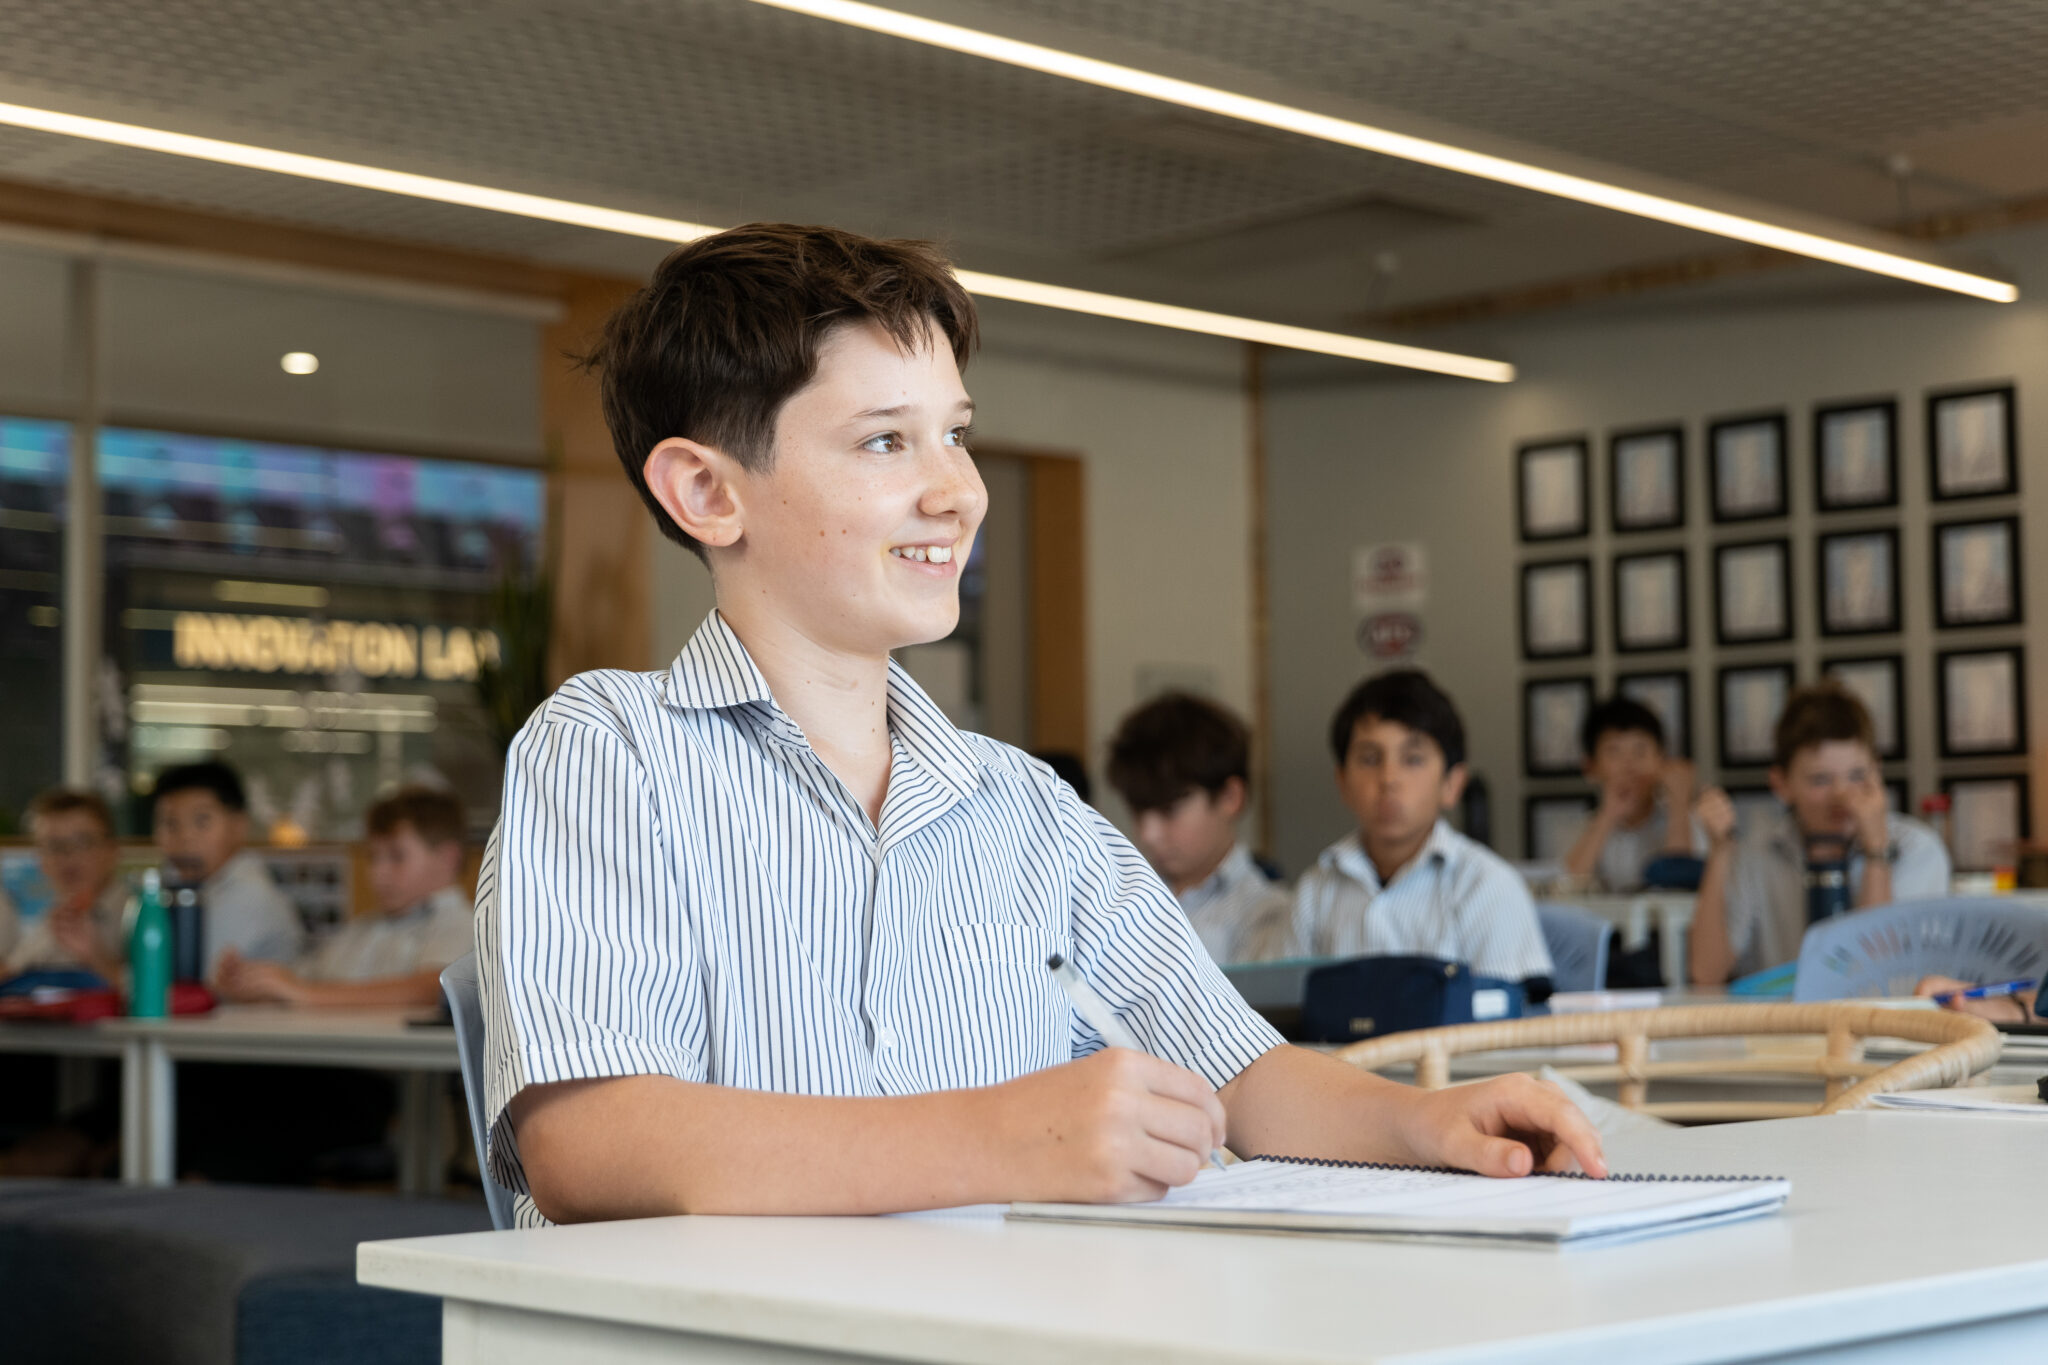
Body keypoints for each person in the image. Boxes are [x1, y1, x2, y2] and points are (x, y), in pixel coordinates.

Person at [477, 223, 1602, 1228]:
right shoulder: (611, 749)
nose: (957, 490)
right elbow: (587, 1143)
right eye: (884, 442)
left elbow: (1236, 1069)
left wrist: (1422, 1124)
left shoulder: (1019, 804)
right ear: (706, 494)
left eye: (954, 433)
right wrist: (1001, 1139)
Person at [1287, 670, 1554, 995]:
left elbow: (1508, 1020)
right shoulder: (1315, 890)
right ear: (1342, 781)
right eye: (1370, 759)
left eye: (1413, 759)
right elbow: (1280, 1009)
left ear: (1452, 784)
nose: (1389, 779)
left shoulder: (1486, 886)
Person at [1689, 684, 1949, 984]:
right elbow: (1705, 973)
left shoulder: (1916, 849)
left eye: (1857, 776)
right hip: (1782, 1024)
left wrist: (1876, 850)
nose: (1842, 796)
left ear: (1877, 772)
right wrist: (1720, 852)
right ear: (1781, 784)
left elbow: (1873, 975)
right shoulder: (1757, 853)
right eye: (1820, 780)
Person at [215, 785, 473, 1008]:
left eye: (397, 857)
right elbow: (303, 982)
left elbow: (433, 989)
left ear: (447, 859)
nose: (378, 873)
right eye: (373, 857)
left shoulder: (462, 923)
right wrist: (254, 983)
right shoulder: (363, 928)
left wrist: (304, 995)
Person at [1105, 692, 1292, 964]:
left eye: (1169, 810)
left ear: (1230, 797)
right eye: (1138, 811)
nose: (1148, 834)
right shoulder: (1121, 897)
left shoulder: (1267, 912)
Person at [147, 761, 303, 978]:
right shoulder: (176, 887)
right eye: (170, 823)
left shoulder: (251, 896)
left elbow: (183, 981)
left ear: (239, 826)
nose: (185, 837)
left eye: (201, 821)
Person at [1561, 697, 1699, 892]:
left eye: (1640, 750)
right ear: (1590, 767)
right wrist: (1607, 816)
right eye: (1614, 752)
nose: (1629, 765)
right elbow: (1566, 891)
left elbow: (1681, 887)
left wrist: (1679, 805)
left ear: (1661, 759)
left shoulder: (1689, 822)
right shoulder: (1586, 831)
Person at [2, 789, 128, 981]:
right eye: (54, 846)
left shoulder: (141, 915)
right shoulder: (48, 923)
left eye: (82, 842)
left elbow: (164, 995)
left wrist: (97, 958)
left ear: (112, 851)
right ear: (41, 861)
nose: (68, 856)